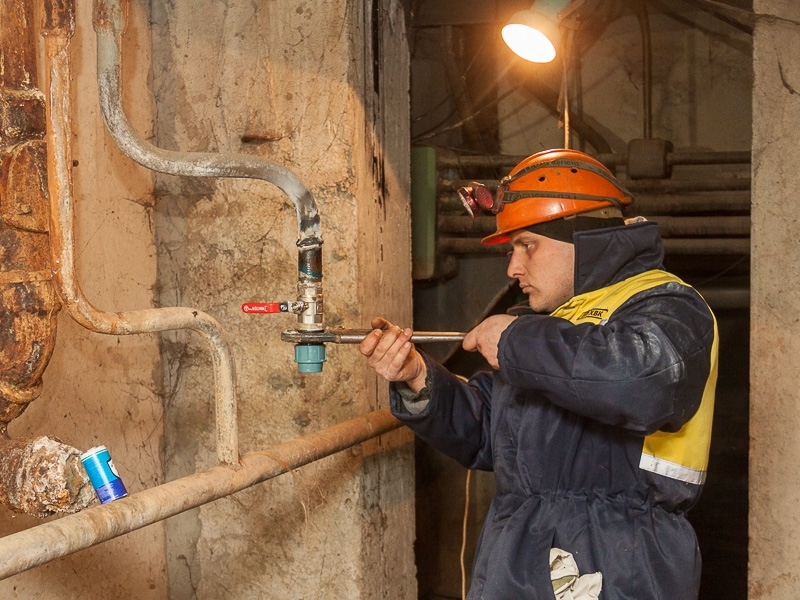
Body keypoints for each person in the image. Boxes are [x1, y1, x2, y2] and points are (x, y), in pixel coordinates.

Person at [359, 148, 718, 600]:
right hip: (521, 547)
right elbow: (492, 433)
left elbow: (642, 382)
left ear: (585, 239)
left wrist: (515, 343)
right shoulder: (553, 325)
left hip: (617, 558)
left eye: (527, 245)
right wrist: (417, 377)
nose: (513, 268)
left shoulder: (668, 305)